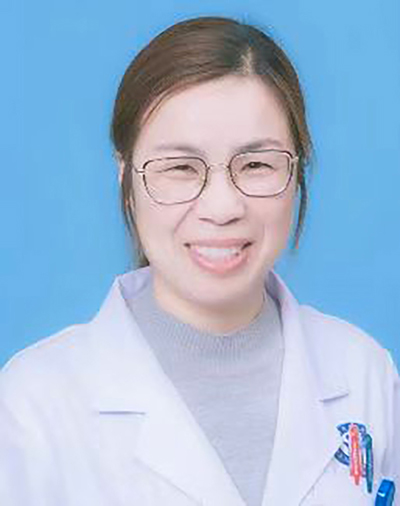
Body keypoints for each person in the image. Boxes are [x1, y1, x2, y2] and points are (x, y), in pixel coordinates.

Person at [1, 15, 399, 506]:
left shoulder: (364, 374)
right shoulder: (33, 406)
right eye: (180, 168)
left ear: (298, 172)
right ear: (126, 179)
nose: (222, 207)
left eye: (256, 164)